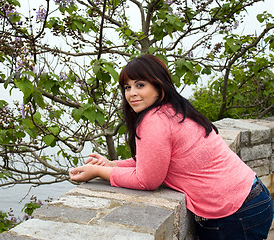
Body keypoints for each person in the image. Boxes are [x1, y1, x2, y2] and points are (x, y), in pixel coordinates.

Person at [69, 54, 274, 240]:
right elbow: (152, 160)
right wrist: (112, 164)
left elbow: (147, 180)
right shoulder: (172, 110)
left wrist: (98, 171)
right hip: (253, 198)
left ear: (158, 85)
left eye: (140, 85)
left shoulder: (154, 120)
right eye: (127, 87)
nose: (131, 93)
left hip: (235, 213)